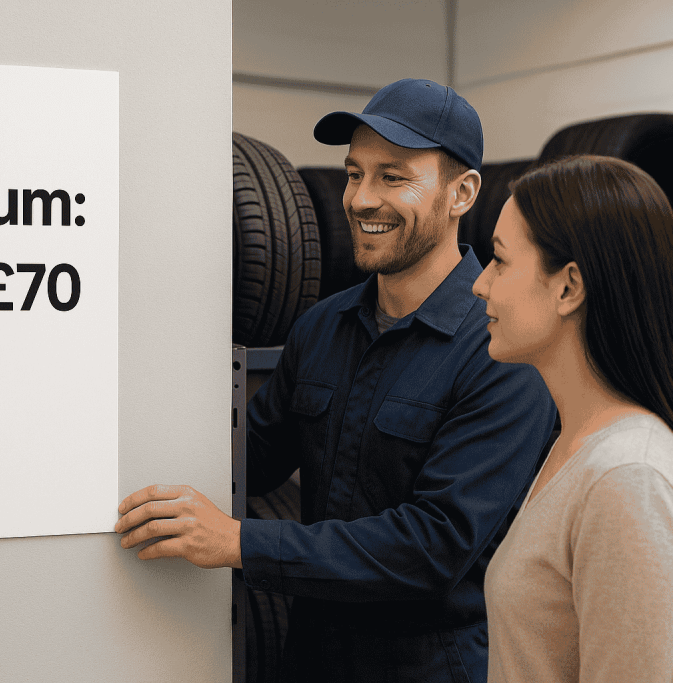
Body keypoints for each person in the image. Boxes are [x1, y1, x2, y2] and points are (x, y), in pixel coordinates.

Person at [115, 78, 557, 682]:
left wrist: (239, 543)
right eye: (354, 174)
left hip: (426, 670)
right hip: (311, 661)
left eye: (392, 177)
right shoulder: (322, 327)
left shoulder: (501, 350)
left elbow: (434, 547)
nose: (361, 199)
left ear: (462, 193)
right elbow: (246, 464)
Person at [472, 155, 673, 683]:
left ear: (568, 287)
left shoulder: (628, 479)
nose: (480, 284)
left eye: (498, 260)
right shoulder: (580, 444)